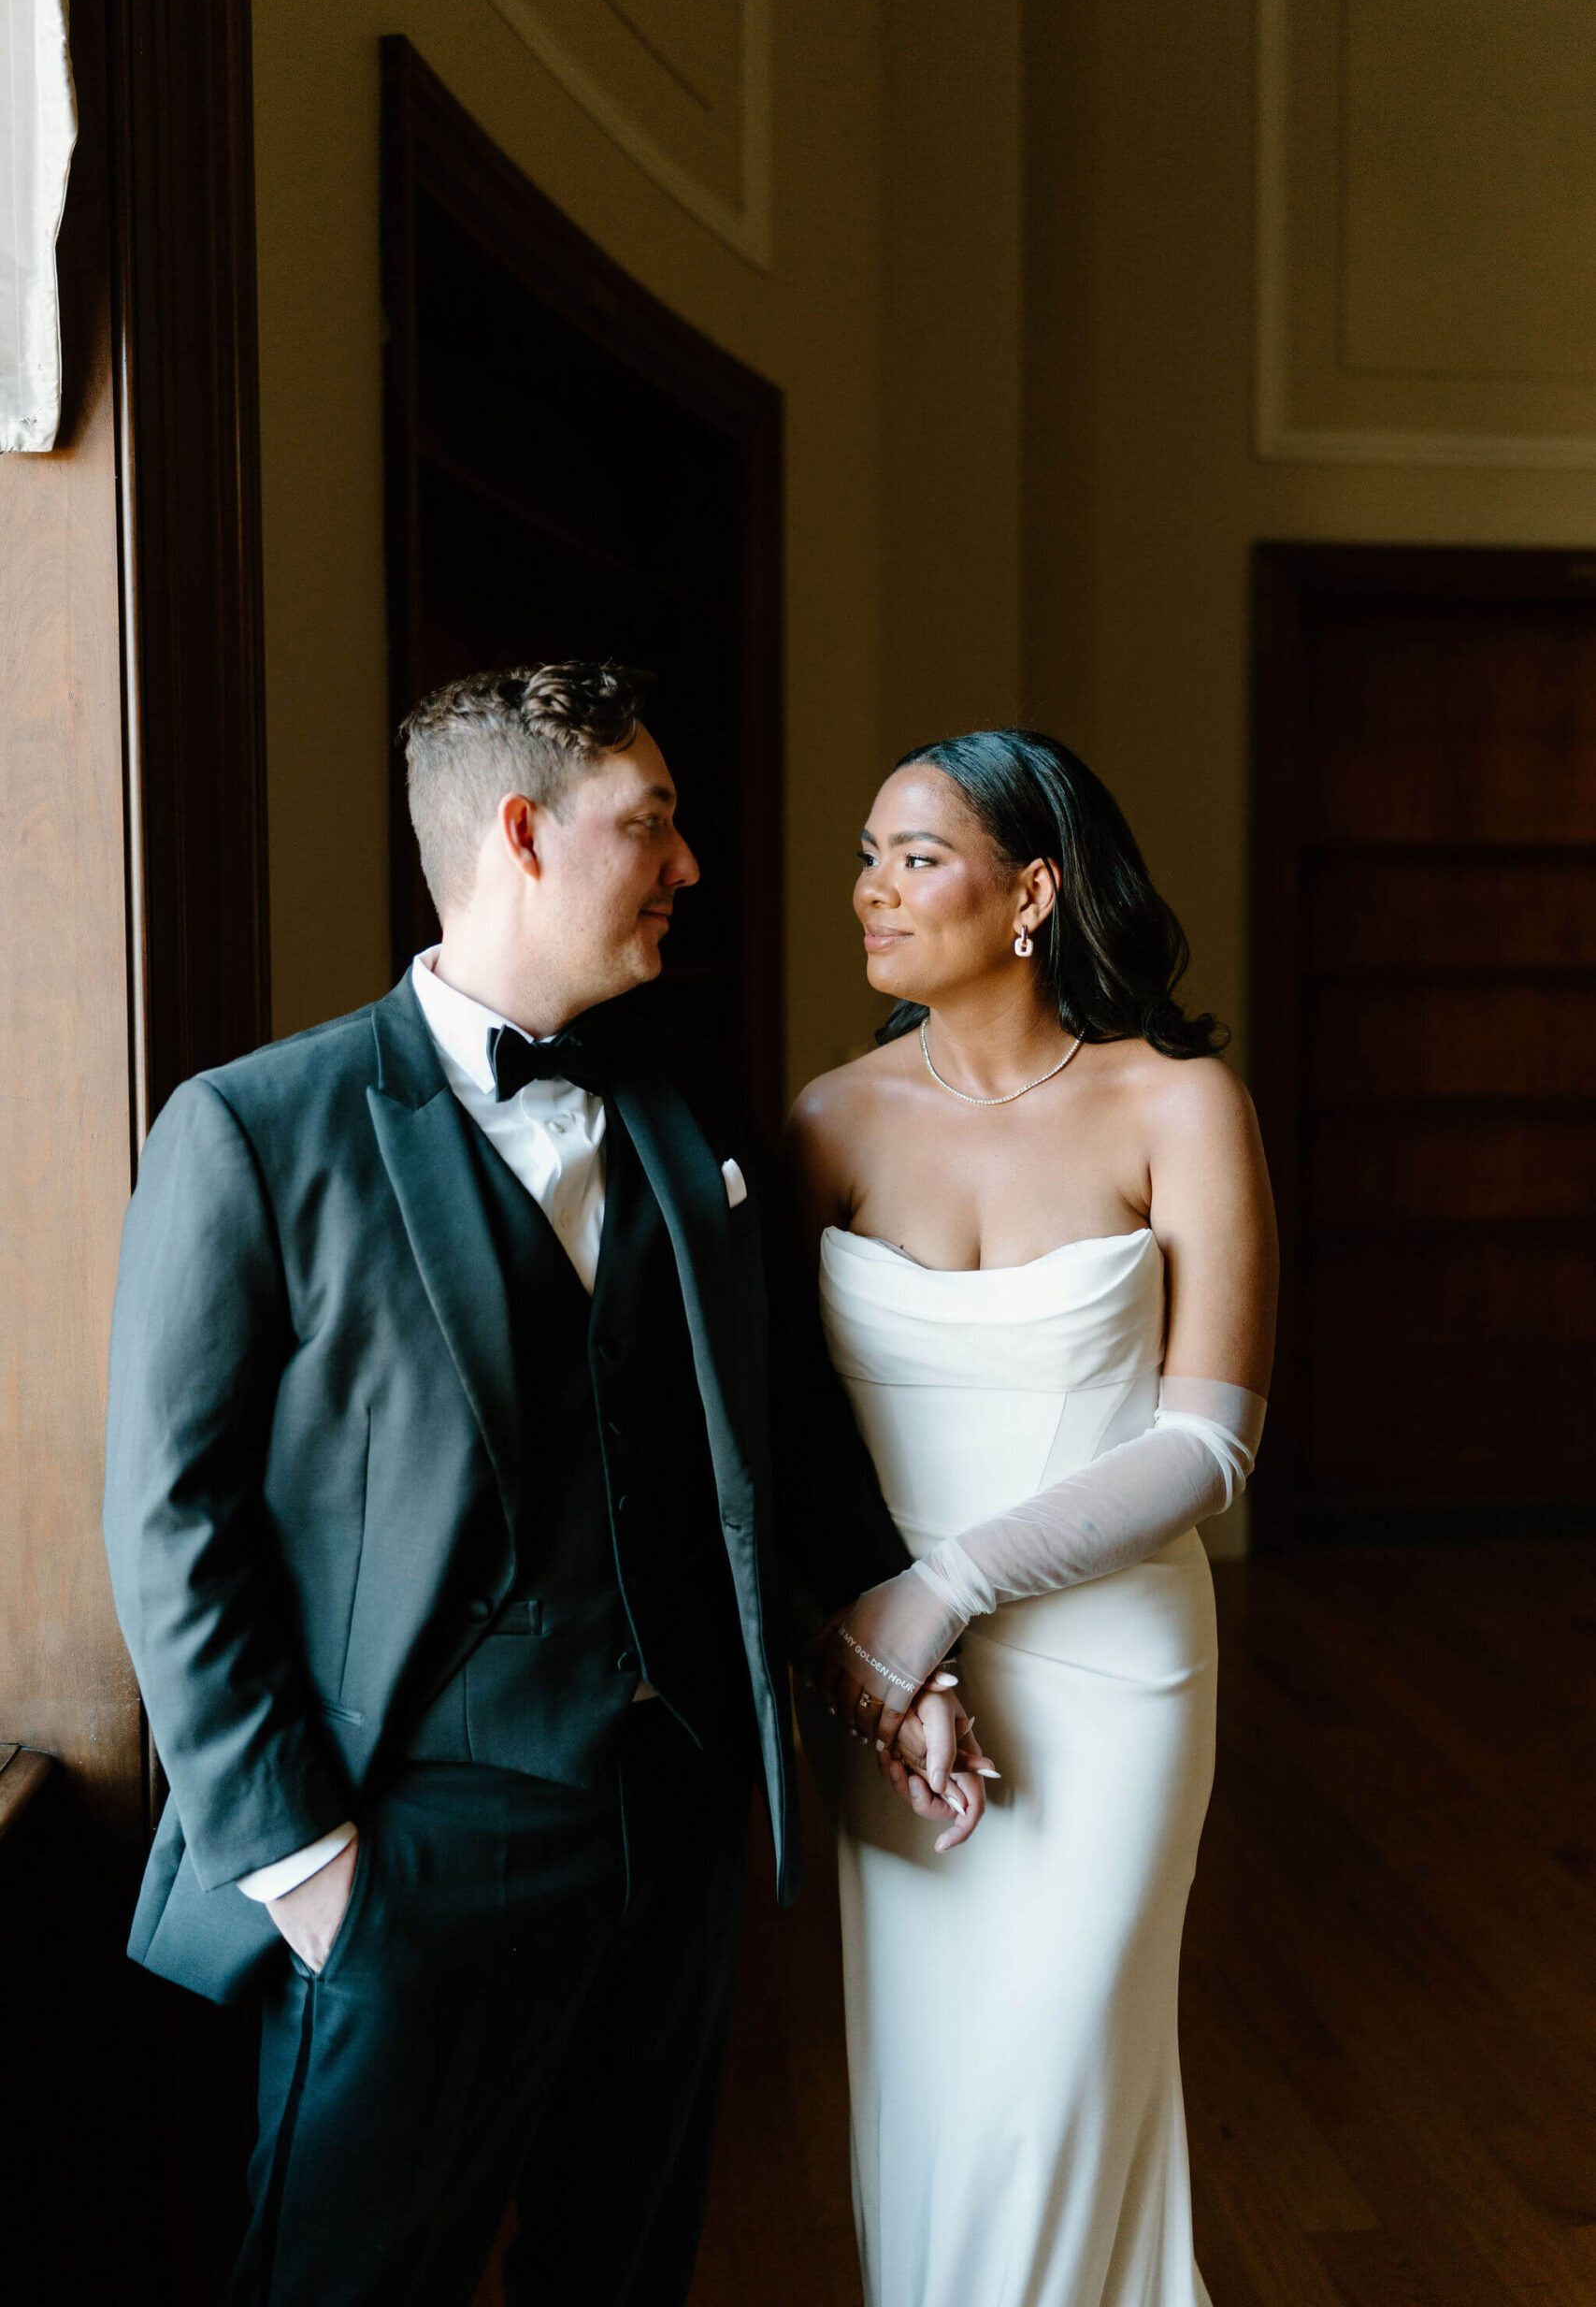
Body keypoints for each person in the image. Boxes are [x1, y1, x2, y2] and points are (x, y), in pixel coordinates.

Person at [102, 662, 983, 2307]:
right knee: (348, 2280)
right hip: (410, 1843)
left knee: (622, 2266)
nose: (687, 864)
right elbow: (172, 1525)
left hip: (676, 1814)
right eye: (648, 824)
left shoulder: (687, 1103)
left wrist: (892, 1652)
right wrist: (309, 1872)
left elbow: (782, 1423)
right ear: (521, 832)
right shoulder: (255, 1130)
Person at [786, 728, 1278, 2307]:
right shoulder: (827, 1123)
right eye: (866, 856)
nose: (871, 889)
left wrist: (947, 1586)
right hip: (893, 1691)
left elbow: (1208, 1447)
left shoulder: (1180, 1106)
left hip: (1111, 1677)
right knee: (934, 2113)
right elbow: (782, 1441)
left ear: (1033, 893)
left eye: (915, 857)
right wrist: (891, 1643)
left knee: (1059, 2093)